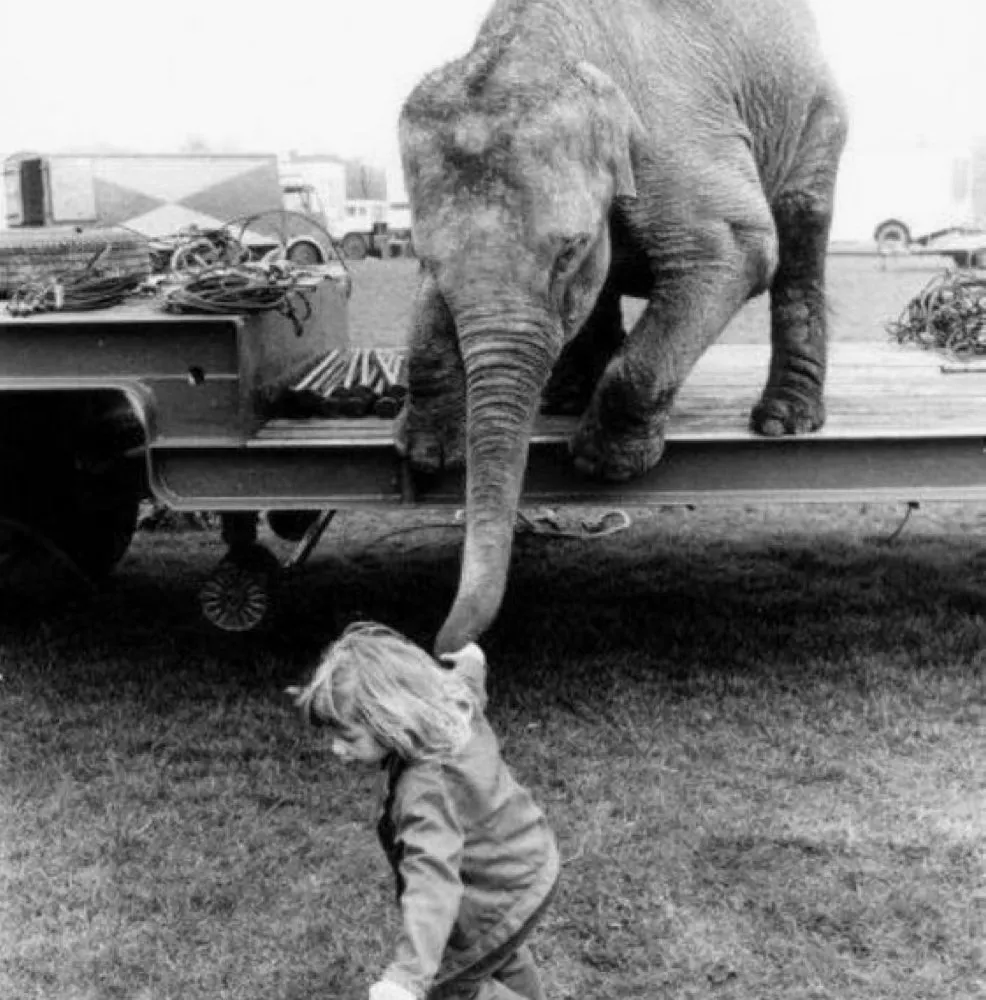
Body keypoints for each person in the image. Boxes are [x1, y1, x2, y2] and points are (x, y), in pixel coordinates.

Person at [287, 622, 560, 1000]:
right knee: (498, 952)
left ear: (391, 721)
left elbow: (432, 881)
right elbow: (467, 683)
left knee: (449, 988)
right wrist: (472, 660)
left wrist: (407, 978)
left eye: (347, 737)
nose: (336, 750)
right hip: (527, 866)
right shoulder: (448, 706)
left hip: (493, 895)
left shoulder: (426, 792)